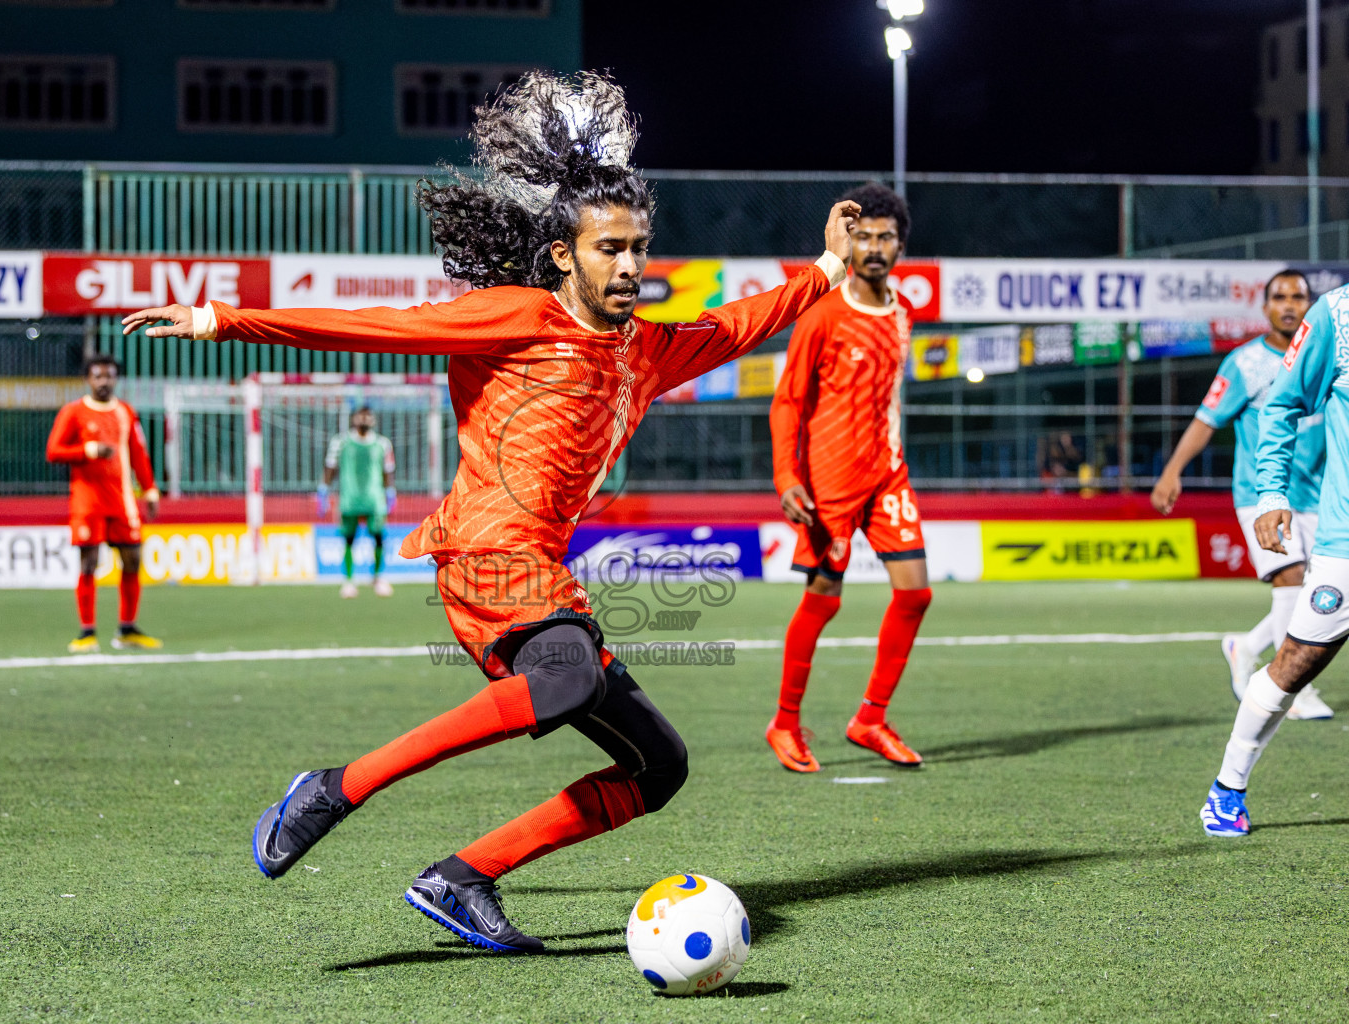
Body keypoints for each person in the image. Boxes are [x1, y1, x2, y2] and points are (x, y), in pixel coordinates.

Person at [121, 71, 860, 953]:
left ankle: (460, 879)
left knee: (659, 766)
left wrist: (827, 265)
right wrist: (220, 321)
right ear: (562, 254)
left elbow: (744, 322)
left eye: (638, 248)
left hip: (540, 570)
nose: (629, 266)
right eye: (608, 249)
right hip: (484, 552)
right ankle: (333, 787)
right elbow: (374, 329)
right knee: (566, 679)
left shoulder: (648, 349)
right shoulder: (516, 317)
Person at [764, 182, 931, 773]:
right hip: (828, 484)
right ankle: (784, 724)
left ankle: (871, 718)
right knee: (823, 599)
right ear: (849, 242)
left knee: (916, 592)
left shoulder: (903, 317)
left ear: (900, 246)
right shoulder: (823, 315)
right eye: (864, 236)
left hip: (887, 475)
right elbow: (787, 402)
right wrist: (788, 476)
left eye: (887, 237)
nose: (876, 246)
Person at [1201, 280, 1349, 836]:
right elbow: (1282, 404)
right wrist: (1272, 494)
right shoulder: (1338, 314)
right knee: (1294, 665)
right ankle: (1227, 788)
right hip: (1345, 539)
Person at [1151, 270, 1332, 720]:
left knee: (1319, 590)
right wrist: (1172, 471)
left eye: (1298, 297)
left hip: (1318, 494)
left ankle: (1246, 645)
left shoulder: (1324, 356)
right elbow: (1206, 420)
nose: (1289, 305)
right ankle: (1295, 685)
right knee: (1290, 580)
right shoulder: (1245, 363)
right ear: (1265, 307)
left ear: (1312, 305)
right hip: (1262, 494)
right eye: (1279, 297)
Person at [44, 355, 162, 653]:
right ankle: (87, 632)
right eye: (98, 376)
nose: (103, 382)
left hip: (122, 500)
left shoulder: (125, 413)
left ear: (116, 379)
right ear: (88, 379)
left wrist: (149, 488)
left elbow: (138, 453)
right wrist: (88, 450)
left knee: (133, 560)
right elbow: (54, 451)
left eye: (109, 376)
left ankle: (127, 629)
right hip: (88, 501)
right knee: (89, 563)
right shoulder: (73, 412)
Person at [320, 406, 397, 598]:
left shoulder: (382, 444)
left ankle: (378, 577)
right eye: (360, 415)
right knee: (348, 538)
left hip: (374, 499)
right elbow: (331, 467)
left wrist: (390, 491)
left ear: (373, 420)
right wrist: (323, 490)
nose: (364, 419)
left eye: (367, 415)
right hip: (350, 498)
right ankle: (348, 581)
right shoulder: (341, 441)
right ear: (353, 418)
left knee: (378, 536)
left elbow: (387, 470)